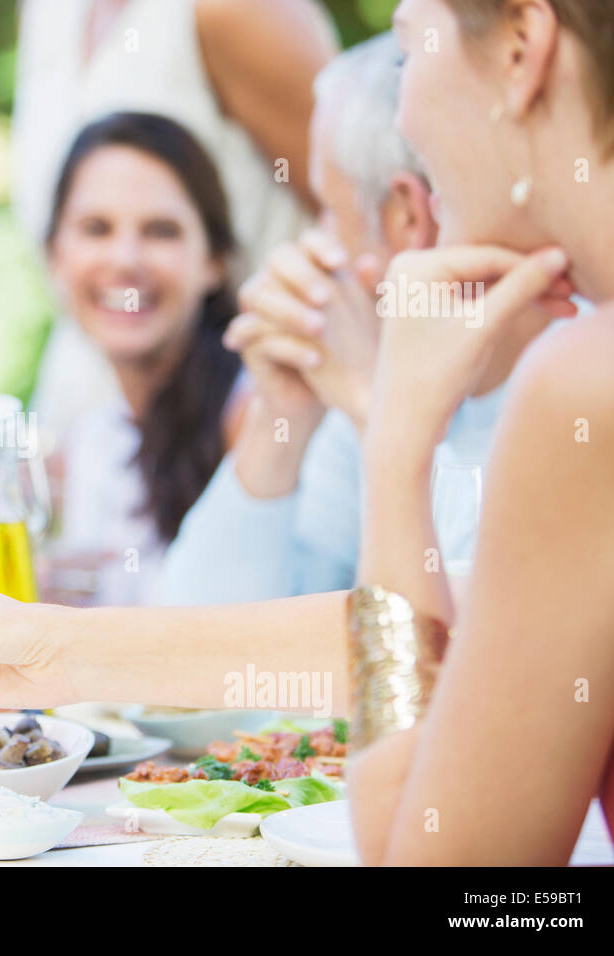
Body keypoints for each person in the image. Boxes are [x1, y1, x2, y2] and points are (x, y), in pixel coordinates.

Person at [0, 0, 614, 865]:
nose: (402, 107)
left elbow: (433, 864)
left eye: (413, 40)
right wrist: (52, 653)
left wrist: (397, 442)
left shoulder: (596, 382)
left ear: (524, 50)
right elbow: (462, 634)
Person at [159, 32, 449, 603]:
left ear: (406, 218)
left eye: (325, 211)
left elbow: (429, 656)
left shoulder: (543, 386)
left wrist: (375, 409)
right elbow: (203, 634)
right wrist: (279, 420)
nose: (308, 246)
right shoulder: (354, 387)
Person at [14, 0, 336, 452]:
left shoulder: (237, 11)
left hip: (246, 414)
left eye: (161, 230)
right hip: (87, 406)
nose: (122, 257)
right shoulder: (47, 14)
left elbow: (360, 208)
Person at [43, 113, 245, 604]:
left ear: (214, 261)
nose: (126, 260)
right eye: (96, 228)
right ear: (55, 256)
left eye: (160, 231)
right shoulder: (95, 442)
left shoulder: (258, 415)